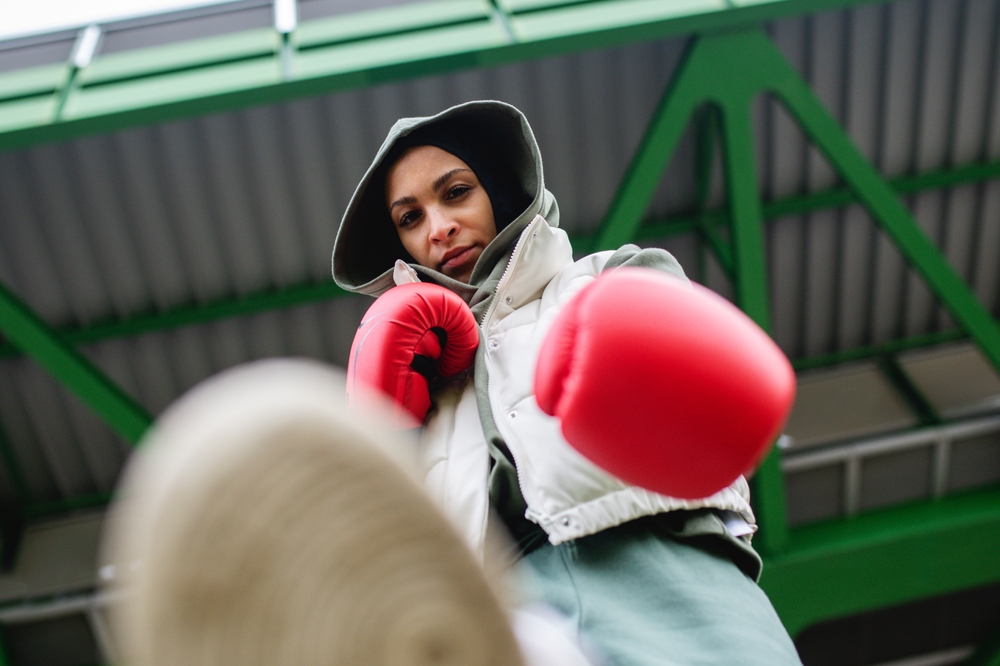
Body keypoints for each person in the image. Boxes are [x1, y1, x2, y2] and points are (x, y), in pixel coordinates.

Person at [332, 100, 803, 665]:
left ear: (501, 189)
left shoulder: (605, 278)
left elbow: (721, 419)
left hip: (664, 567)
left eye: (456, 191)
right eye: (410, 218)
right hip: (496, 626)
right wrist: (379, 433)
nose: (439, 228)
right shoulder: (417, 382)